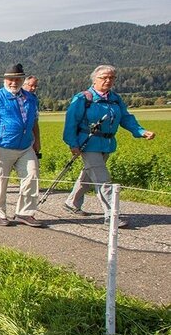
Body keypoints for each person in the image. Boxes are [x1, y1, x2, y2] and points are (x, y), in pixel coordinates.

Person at [62, 65, 156, 228]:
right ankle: (111, 215)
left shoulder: (115, 98)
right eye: (104, 77)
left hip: (106, 144)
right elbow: (71, 122)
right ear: (94, 79)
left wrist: (140, 131)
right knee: (102, 179)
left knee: (89, 175)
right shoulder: (84, 98)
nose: (108, 80)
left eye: (111, 77)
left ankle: (72, 202)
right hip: (88, 144)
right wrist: (73, 144)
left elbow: (125, 118)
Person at [0, 63, 44, 227]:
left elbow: (34, 121)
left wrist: (37, 142)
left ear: (22, 80)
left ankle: (25, 213)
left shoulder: (31, 98)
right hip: (1, 146)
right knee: (0, 181)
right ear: (5, 80)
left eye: (17, 79)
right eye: (10, 79)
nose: (13, 82)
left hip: (26, 146)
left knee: (32, 176)